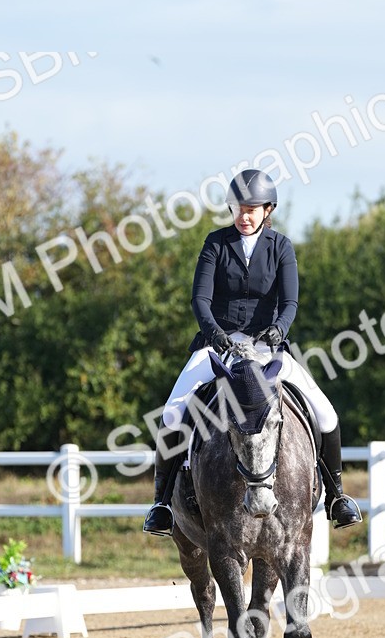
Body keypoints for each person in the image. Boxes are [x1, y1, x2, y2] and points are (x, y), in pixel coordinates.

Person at [143, 168, 363, 536]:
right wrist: (215, 335)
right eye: (238, 208)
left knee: (325, 413)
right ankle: (163, 503)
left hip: (267, 347)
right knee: (171, 413)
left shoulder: (281, 247)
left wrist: (278, 330)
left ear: (267, 209)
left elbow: (290, 301)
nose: (244, 216)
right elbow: (200, 299)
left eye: (252, 209)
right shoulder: (216, 243)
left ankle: (337, 497)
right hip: (219, 345)